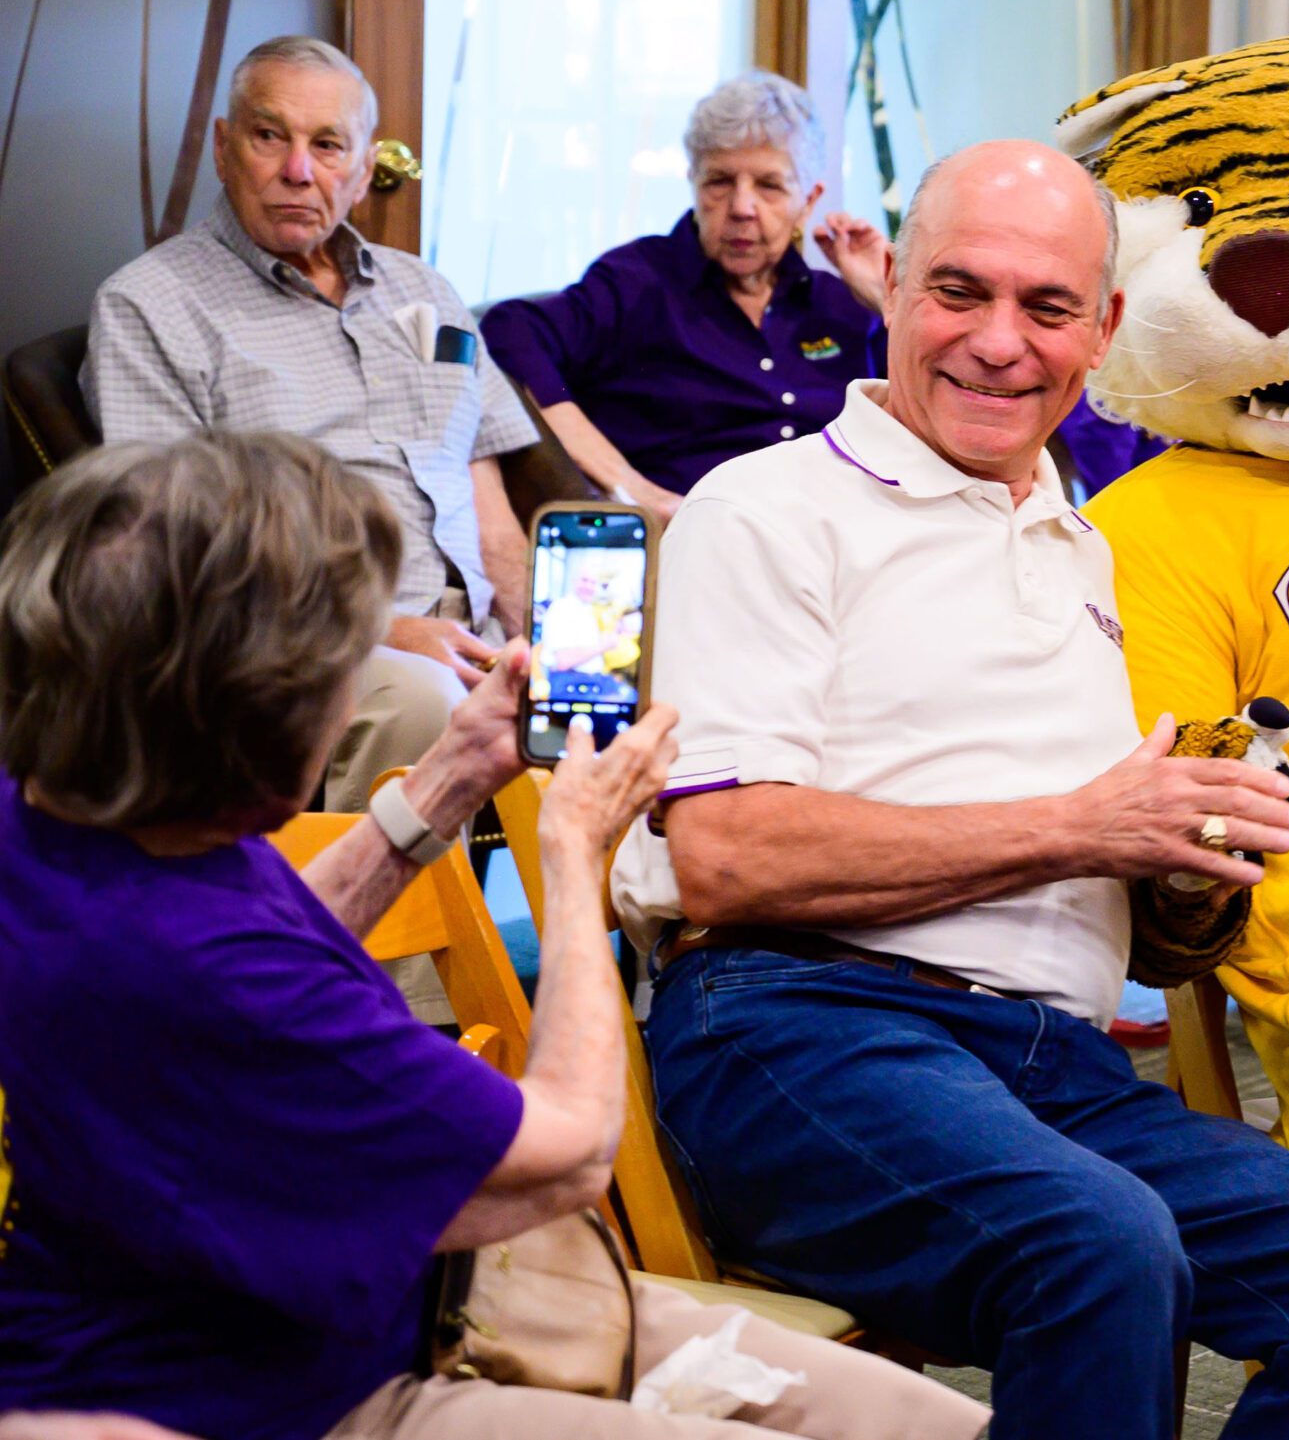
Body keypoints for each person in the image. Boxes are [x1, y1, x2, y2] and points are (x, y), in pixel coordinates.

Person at [617, 139, 1289, 1438]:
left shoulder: (1084, 541)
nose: (998, 342)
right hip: (798, 1025)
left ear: (1102, 329)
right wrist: (1084, 825)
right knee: (1098, 1248)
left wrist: (1181, 865)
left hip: (1058, 1063)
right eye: (958, 291)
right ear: (890, 287)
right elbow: (724, 854)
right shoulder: (763, 508)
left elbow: (1106, 901)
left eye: (1046, 307)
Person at [0, 432, 986, 1440]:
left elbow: (261, 938)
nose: (351, 696)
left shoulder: (70, 820)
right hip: (293, 1395)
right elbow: (567, 1153)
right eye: (346, 664)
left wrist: (450, 779)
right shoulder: (213, 971)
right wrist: (573, 851)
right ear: (251, 707)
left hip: (404, 1295)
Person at [83, 35, 534, 815]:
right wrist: (385, 629)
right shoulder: (149, 305)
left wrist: (548, 633)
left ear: (362, 170)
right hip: (306, 643)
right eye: (270, 136)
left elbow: (480, 481)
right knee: (424, 701)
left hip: (478, 636)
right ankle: (360, 904)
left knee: (627, 692)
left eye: (327, 145)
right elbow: (172, 541)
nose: (298, 169)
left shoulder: (425, 293)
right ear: (224, 148)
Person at [480, 73, 894, 525]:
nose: (741, 207)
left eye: (769, 185)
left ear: (808, 201)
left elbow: (920, 424)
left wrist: (884, 296)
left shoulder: (845, 306)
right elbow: (510, 330)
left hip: (836, 539)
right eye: (719, 181)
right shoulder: (637, 283)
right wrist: (628, 486)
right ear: (693, 181)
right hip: (694, 540)